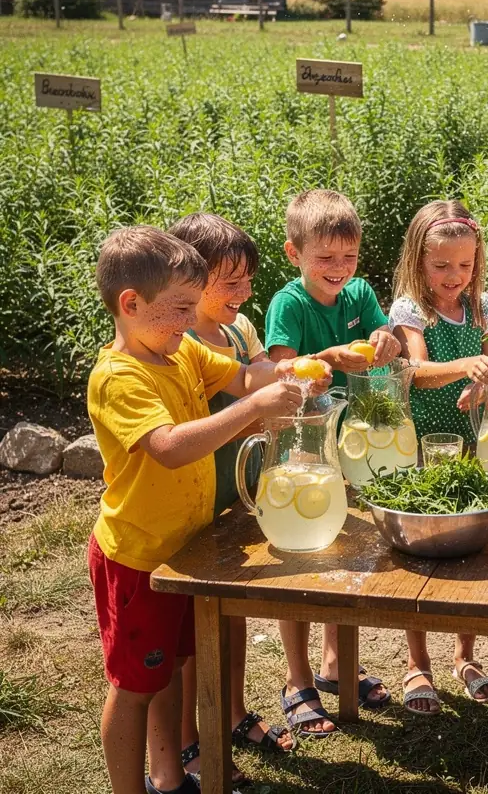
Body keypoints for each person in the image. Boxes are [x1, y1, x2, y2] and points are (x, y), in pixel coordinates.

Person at [86, 226, 314, 794]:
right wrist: (253, 408)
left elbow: (242, 377)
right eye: (181, 307)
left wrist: (296, 372)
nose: (192, 320)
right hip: (137, 557)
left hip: (182, 549)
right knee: (135, 685)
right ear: (131, 305)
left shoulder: (179, 347)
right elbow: (167, 447)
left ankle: (169, 776)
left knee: (168, 673)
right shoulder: (120, 377)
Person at [264, 189, 401, 736]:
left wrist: (384, 338)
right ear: (293, 253)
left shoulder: (360, 292)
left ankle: (335, 661)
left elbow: (383, 332)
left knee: (341, 554)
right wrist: (324, 359)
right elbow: (278, 371)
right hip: (302, 448)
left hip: (351, 446)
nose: (339, 269)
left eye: (349, 257)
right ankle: (296, 679)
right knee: (300, 561)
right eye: (325, 258)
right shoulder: (287, 305)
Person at [167, 213, 295, 782]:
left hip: (239, 493)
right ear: (189, 282)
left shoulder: (238, 331)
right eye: (230, 282)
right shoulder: (181, 344)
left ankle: (235, 711)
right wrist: (257, 417)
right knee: (196, 633)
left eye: (248, 281)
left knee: (233, 613)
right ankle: (192, 739)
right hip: (200, 494)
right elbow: (208, 420)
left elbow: (261, 379)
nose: (244, 294)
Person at [389, 199, 488, 714]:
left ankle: (465, 655)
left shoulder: (486, 309)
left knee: (468, 550)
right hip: (419, 448)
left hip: (470, 448)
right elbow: (416, 371)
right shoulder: (411, 310)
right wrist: (468, 366)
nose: (454, 276)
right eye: (441, 265)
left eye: (465, 264)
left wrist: (487, 386)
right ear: (418, 261)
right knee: (419, 555)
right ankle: (417, 663)